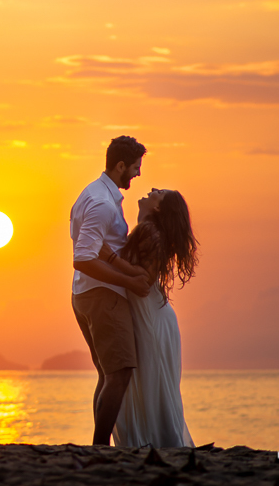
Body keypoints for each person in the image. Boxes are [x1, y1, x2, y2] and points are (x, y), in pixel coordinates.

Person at [69, 135, 153, 446]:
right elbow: (83, 258)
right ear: (120, 166)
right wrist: (129, 281)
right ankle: (100, 445)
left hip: (87, 294)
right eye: (135, 167)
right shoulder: (102, 204)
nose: (138, 174)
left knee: (107, 374)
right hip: (102, 295)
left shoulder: (92, 194)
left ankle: (99, 445)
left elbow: (94, 246)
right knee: (119, 372)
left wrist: (126, 269)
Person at [100, 189, 199, 448]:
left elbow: (144, 279)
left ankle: (157, 441)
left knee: (151, 382)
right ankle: (156, 441)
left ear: (158, 208)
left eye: (160, 193)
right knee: (151, 382)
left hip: (151, 317)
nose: (153, 190)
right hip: (152, 314)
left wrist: (108, 256)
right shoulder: (147, 230)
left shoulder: (149, 231)